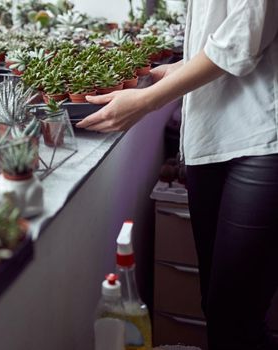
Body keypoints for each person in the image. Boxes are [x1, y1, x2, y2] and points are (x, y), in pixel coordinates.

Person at [76, 1, 278, 349]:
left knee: (235, 318)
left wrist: (147, 101)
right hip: (210, 139)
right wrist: (181, 66)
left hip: (261, 138)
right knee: (218, 310)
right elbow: (227, 32)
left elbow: (245, 35)